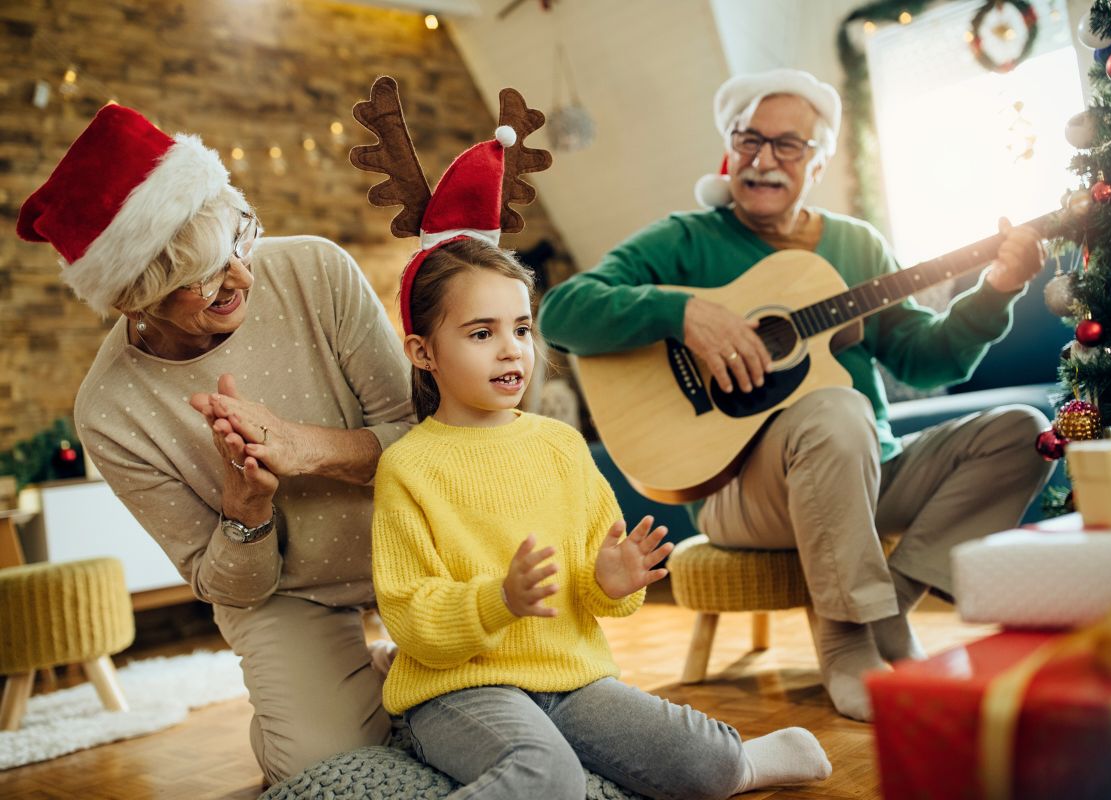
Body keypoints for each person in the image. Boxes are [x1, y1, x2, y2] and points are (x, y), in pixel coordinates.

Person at [537, 68, 1057, 722]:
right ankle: (845, 642)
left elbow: (927, 362)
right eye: (748, 138)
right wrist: (682, 313)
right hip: (744, 494)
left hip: (867, 471)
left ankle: (890, 605)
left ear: (820, 160)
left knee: (1024, 430)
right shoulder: (686, 240)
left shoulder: (855, 244)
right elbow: (561, 310)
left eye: (788, 145)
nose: (762, 159)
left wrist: (998, 289)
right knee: (838, 411)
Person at [369, 119, 833, 798]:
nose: (511, 351)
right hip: (457, 688)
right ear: (423, 353)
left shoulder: (560, 445)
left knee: (704, 762)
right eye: (480, 333)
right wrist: (499, 599)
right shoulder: (409, 467)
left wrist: (612, 582)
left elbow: (596, 590)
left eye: (521, 329)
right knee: (548, 777)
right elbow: (411, 617)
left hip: (571, 676)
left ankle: (747, 763)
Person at [17, 104, 413, 782]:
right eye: (201, 278)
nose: (241, 277)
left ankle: (384, 682)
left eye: (239, 240)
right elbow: (225, 586)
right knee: (322, 767)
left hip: (416, 545)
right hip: (289, 596)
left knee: (516, 693)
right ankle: (356, 692)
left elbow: (425, 444)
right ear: (133, 299)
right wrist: (246, 509)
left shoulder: (318, 271)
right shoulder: (109, 411)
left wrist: (303, 447)